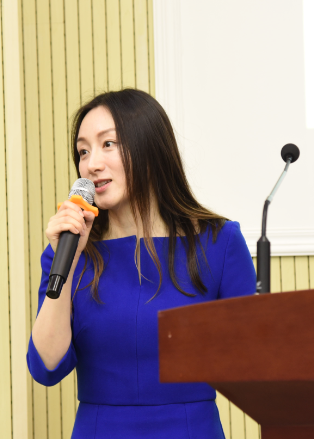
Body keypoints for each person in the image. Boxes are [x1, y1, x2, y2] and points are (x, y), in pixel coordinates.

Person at [27, 89, 256, 438]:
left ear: (149, 148)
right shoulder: (68, 251)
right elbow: (46, 366)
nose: (91, 164)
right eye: (83, 151)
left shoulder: (219, 243)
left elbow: (253, 361)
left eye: (108, 144)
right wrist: (68, 262)